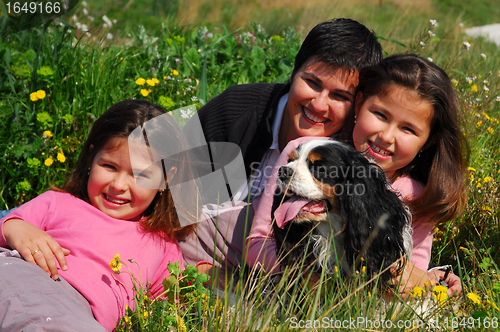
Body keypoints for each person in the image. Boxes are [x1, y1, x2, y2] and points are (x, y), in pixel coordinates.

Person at [246, 53, 467, 296]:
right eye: (380, 115)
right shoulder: (304, 150)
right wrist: (310, 276)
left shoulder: (418, 196)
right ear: (359, 104)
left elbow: (412, 272)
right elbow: (256, 244)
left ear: (428, 140)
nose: (386, 136)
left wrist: (427, 281)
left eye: (408, 129)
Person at [179, 18, 383, 280]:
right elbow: (151, 173)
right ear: (294, 70)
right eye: (312, 82)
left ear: (357, 103)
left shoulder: (352, 150)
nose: (319, 105)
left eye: (340, 96)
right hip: (182, 259)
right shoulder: (236, 108)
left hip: (274, 281)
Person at [0, 100, 197, 331]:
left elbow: (171, 307)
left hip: (81, 317)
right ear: (91, 159)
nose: (119, 185)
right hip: (25, 276)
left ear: (166, 178)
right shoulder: (58, 202)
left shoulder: (163, 245)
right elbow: (7, 229)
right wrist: (14, 227)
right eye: (109, 166)